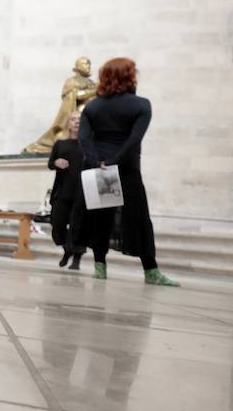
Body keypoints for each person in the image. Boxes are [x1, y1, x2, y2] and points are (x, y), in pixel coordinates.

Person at [80, 58, 178, 286]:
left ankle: (99, 268)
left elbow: (83, 139)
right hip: (127, 168)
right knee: (139, 218)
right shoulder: (141, 105)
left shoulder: (92, 106)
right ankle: (151, 271)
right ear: (129, 77)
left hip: (99, 166)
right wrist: (115, 161)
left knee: (100, 219)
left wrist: (98, 161)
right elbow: (134, 140)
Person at [48, 112, 85, 270]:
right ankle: (67, 250)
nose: (76, 122)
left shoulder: (88, 144)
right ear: (68, 123)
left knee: (79, 228)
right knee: (57, 225)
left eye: (79, 119)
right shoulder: (60, 144)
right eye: (73, 119)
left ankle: (76, 259)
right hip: (62, 192)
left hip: (82, 193)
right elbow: (50, 164)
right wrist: (56, 162)